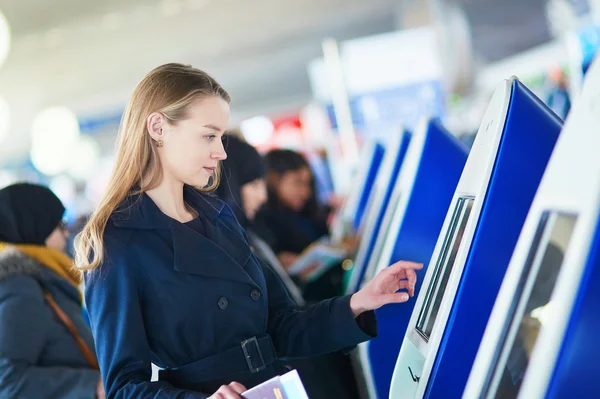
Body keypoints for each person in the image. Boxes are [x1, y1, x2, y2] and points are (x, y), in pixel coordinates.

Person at [75, 63, 422, 399]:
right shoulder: (117, 241)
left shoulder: (218, 216)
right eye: (209, 135)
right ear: (158, 128)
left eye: (221, 137)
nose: (221, 152)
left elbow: (283, 327)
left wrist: (361, 301)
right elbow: (124, 387)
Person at [0, 183, 104, 399]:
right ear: (34, 227)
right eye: (59, 225)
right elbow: (7, 382)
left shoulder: (41, 278)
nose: (66, 233)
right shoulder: (20, 286)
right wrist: (94, 386)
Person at [215, 134, 305, 306]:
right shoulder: (226, 252)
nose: (263, 196)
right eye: (254, 184)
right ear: (229, 185)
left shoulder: (250, 235)